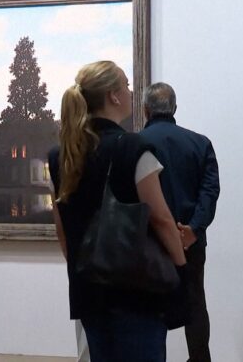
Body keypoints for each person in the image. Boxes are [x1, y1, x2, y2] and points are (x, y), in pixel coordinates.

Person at [47, 61, 188, 362]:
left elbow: (62, 230)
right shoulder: (133, 148)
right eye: (126, 85)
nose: (130, 92)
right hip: (136, 291)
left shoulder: (61, 155)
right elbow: (161, 219)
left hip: (88, 291)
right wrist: (180, 269)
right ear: (113, 95)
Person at [140, 82, 220, 362]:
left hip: (150, 241)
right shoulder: (200, 143)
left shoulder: (136, 145)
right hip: (190, 241)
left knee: (150, 309)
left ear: (146, 109)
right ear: (174, 108)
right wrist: (193, 229)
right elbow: (209, 192)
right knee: (195, 303)